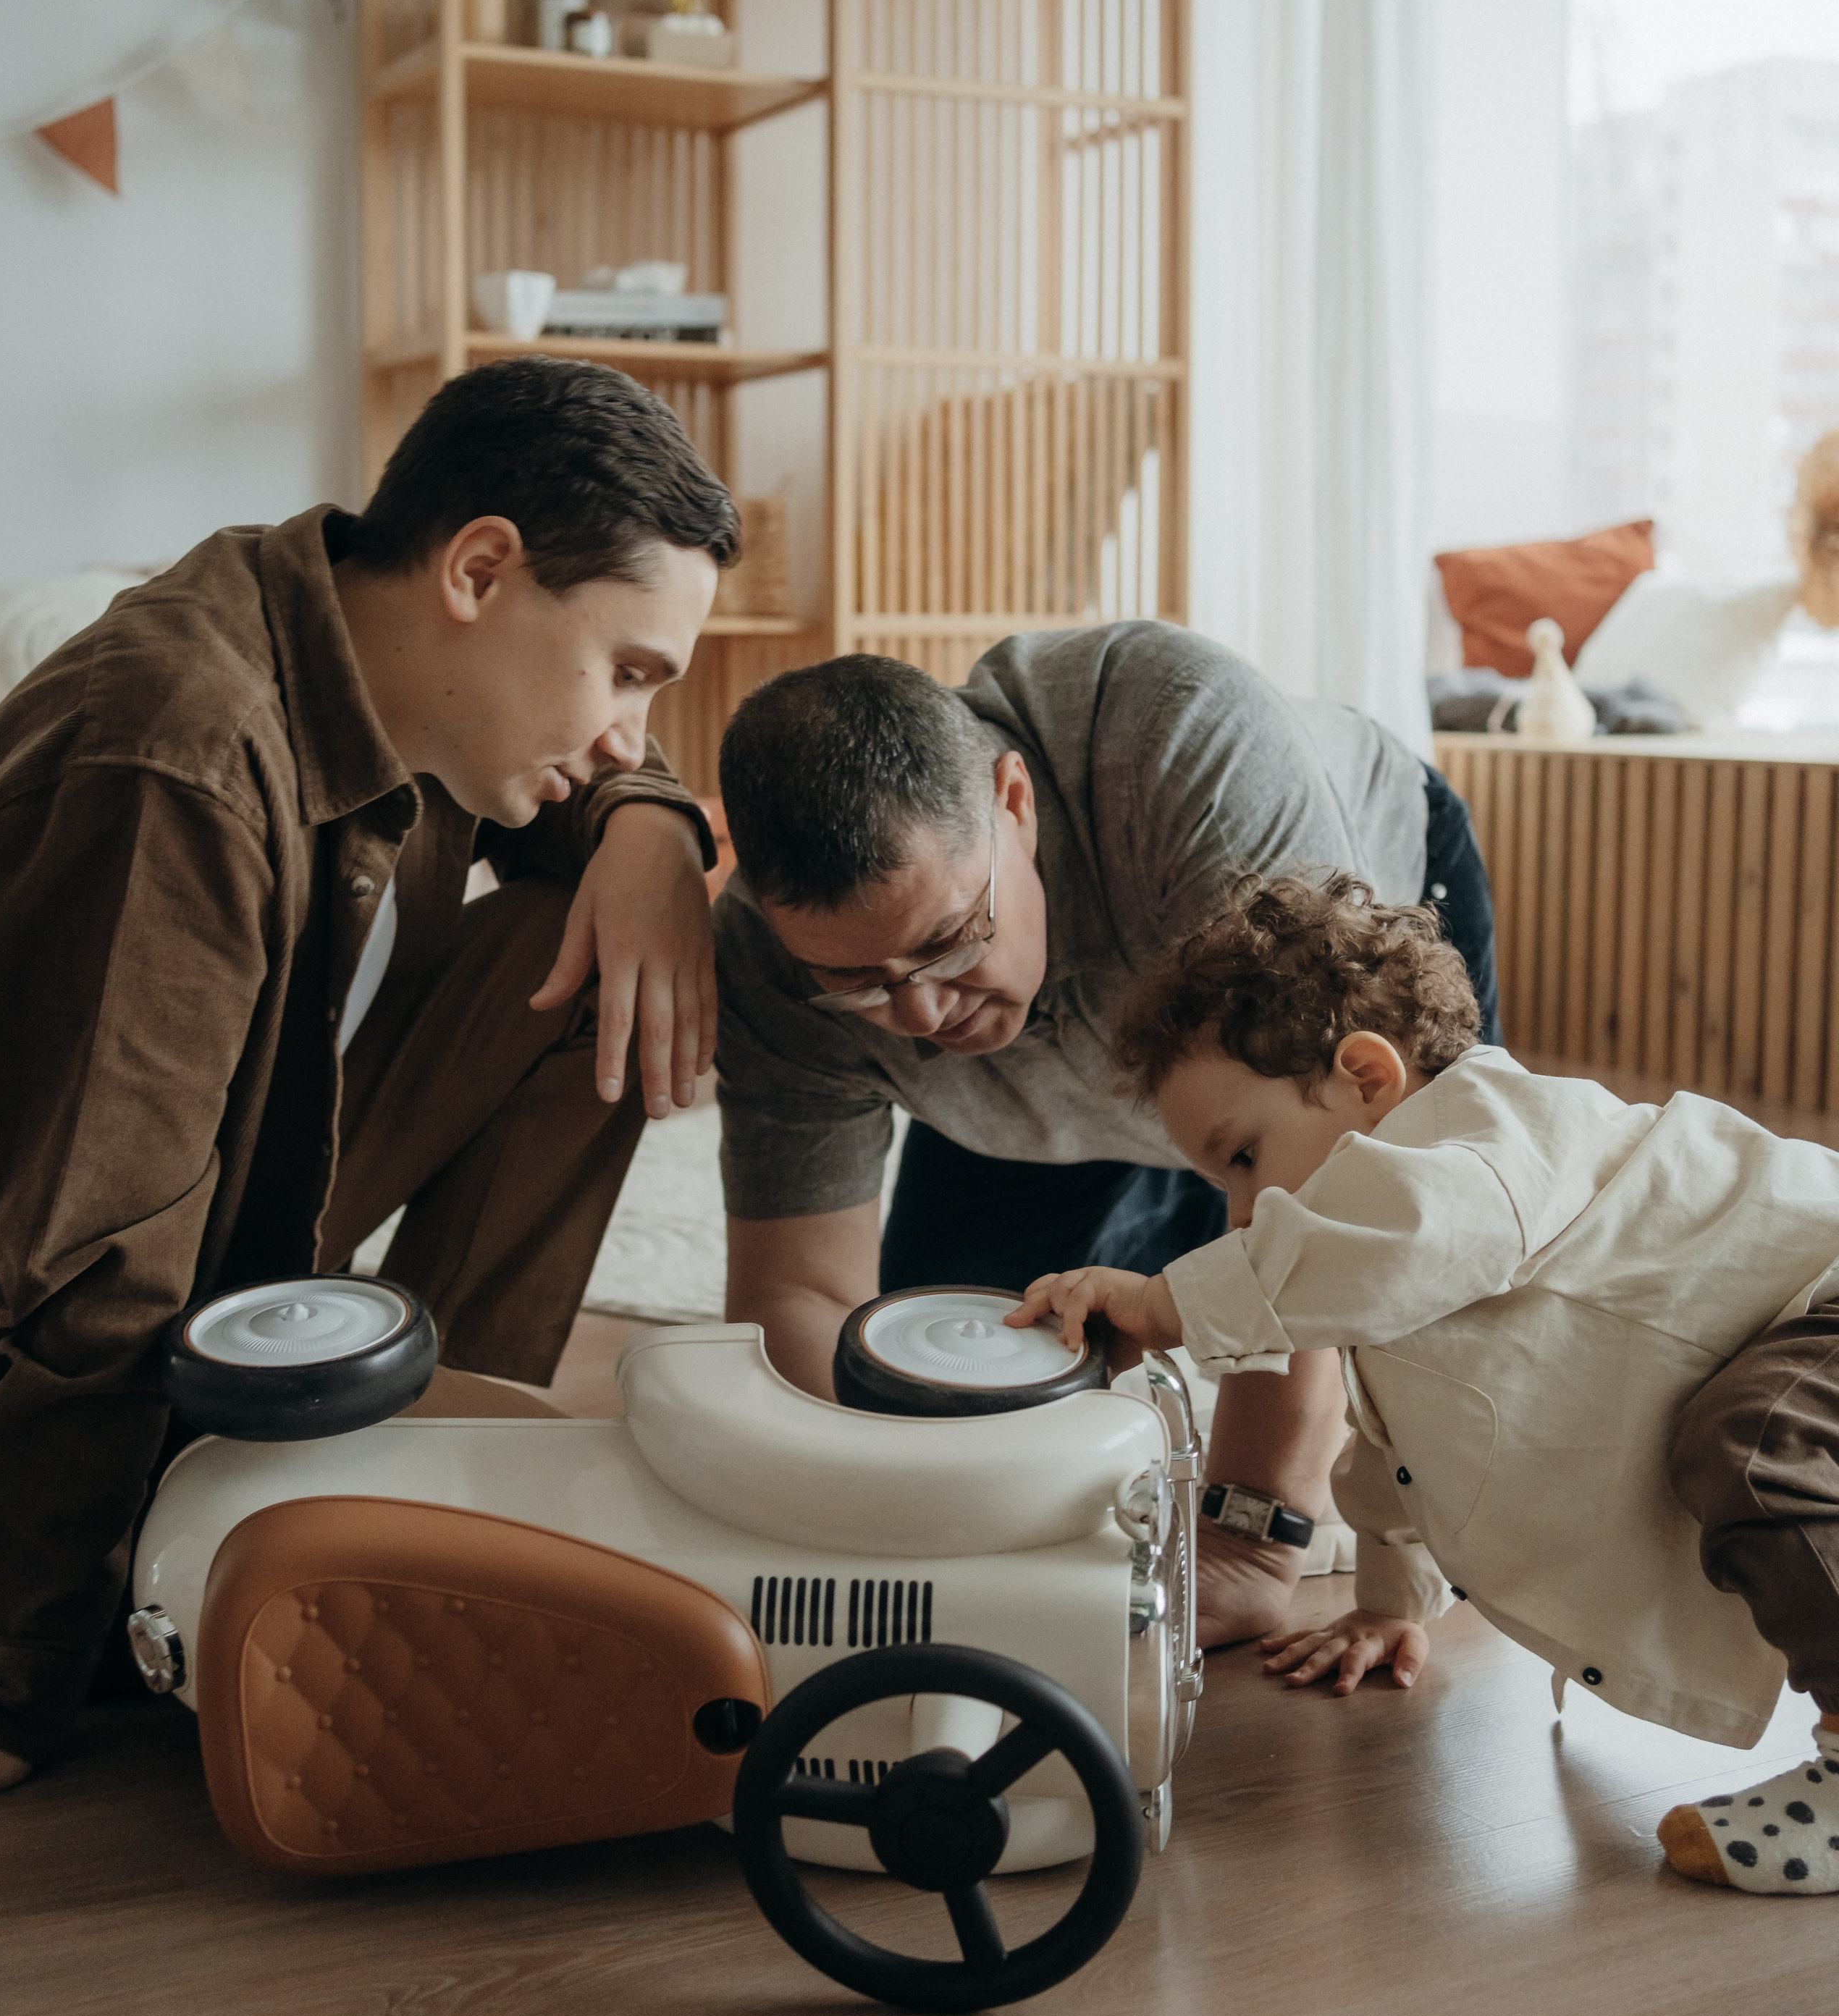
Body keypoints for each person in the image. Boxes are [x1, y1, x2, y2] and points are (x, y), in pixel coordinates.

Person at [0, 358, 739, 1794]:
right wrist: (13, 1680)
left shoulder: (402, 674)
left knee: (572, 953)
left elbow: (609, 794)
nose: (630, 724)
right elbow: (86, 1257)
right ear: (478, 571)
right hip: (43, 1344)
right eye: (629, 672)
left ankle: (428, 1517)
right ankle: (188, 1561)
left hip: (235, 1235)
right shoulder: (185, 753)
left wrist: (650, 824)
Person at [1010, 870, 1839, 1895]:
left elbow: (1414, 1234)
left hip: (1825, 1295)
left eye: (1243, 1158)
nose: (1236, 1214)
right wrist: (1393, 1603)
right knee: (1747, 1445)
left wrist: (1170, 1305)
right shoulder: (1390, 1278)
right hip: (1795, 1333)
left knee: (1755, 1448)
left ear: (1367, 1075)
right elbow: (1403, 1457)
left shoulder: (1489, 1136)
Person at [711, 625, 1499, 1651]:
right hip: (1051, 1077)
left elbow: (1317, 1196)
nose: (919, 1017)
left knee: (1425, 1298)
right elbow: (800, 1295)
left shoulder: (1184, 747)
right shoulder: (773, 960)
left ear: (1013, 801)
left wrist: (1254, 1537)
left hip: (1328, 981)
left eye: (950, 941)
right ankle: (1167, 1199)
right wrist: (863, 1521)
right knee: (944, 1385)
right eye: (858, 983)